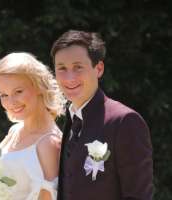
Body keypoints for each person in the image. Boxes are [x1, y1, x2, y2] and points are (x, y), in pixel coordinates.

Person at [52, 30, 153, 200]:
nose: (70, 77)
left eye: (78, 67)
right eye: (62, 68)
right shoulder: (70, 121)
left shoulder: (124, 121)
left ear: (98, 68)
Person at [0, 52, 65, 200]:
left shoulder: (50, 143)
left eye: (18, 91)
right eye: (4, 95)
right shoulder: (15, 130)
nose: (11, 102)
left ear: (38, 86)